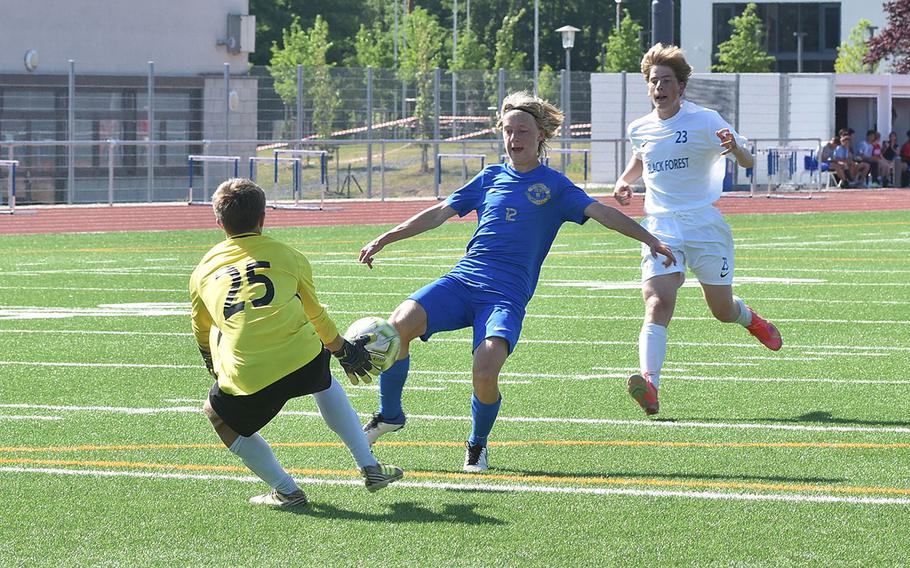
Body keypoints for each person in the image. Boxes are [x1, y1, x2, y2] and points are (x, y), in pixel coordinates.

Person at [357, 91, 677, 472]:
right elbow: (438, 213)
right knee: (398, 325)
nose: (514, 138)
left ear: (540, 134)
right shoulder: (490, 176)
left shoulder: (555, 186)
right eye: (508, 131)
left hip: (505, 296)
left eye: (522, 130)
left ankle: (477, 443)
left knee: (485, 369)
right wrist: (385, 237)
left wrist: (650, 238)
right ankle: (390, 414)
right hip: (463, 281)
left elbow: (604, 213)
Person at [190, 178, 403, 509]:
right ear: (263, 217)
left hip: (250, 373)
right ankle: (369, 465)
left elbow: (202, 332)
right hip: (303, 358)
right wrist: (342, 350)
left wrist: (213, 368)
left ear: (219, 223)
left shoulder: (202, 271)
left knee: (217, 415)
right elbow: (316, 314)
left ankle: (286, 490)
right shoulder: (290, 256)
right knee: (322, 375)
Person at [612, 43, 782, 417]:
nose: (659, 87)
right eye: (653, 81)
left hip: (704, 225)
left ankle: (751, 320)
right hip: (660, 226)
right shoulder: (639, 128)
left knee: (721, 310)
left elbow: (749, 159)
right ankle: (650, 384)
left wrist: (734, 149)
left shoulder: (706, 120)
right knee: (657, 302)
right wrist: (625, 181)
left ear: (682, 85)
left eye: (666, 80)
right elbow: (641, 157)